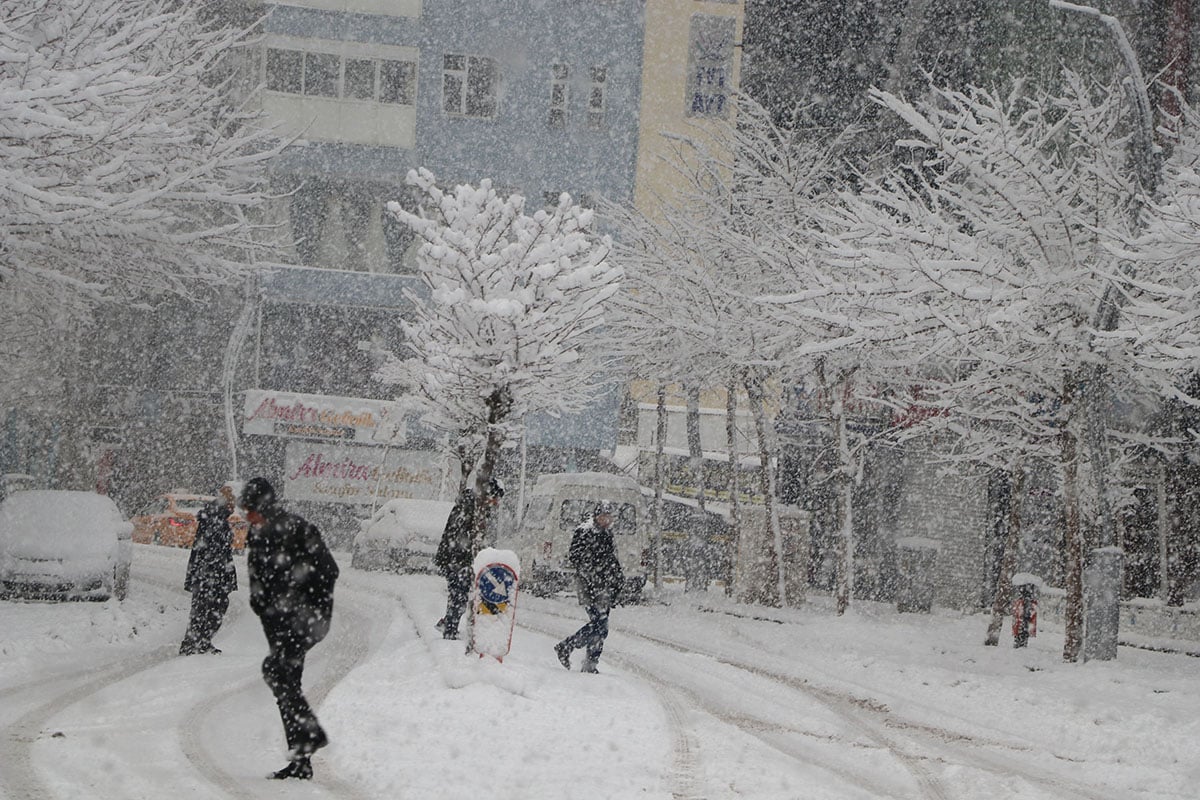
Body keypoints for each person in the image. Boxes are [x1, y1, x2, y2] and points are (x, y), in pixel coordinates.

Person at [239, 477, 339, 781]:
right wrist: (261, 603)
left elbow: (329, 570)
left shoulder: (296, 528)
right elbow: (259, 577)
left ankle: (310, 735)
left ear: (262, 507)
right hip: (277, 623)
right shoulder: (258, 534)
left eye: (250, 510)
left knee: (277, 671)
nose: (247, 517)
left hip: (304, 619)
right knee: (286, 681)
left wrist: (298, 602)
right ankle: (301, 758)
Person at [555, 500, 624, 674]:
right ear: (596, 516)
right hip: (589, 585)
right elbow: (576, 556)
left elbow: (612, 559)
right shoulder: (584, 532)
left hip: (606, 585)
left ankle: (589, 662)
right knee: (599, 623)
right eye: (603, 516)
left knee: (601, 625)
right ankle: (568, 647)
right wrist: (592, 573)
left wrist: (618, 580)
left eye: (609, 517)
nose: (606, 520)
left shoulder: (608, 534)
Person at [433, 476, 504, 640]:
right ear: (488, 494)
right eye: (495, 498)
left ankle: (449, 625)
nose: (496, 503)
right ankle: (449, 629)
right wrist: (467, 555)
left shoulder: (475, 505)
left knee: (459, 594)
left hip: (456, 557)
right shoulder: (470, 506)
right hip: (456, 558)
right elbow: (458, 534)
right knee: (460, 594)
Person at [179, 482, 239, 655]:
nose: (234, 508)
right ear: (227, 502)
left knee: (205, 607)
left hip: (207, 572)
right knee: (210, 607)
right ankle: (196, 643)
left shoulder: (215, 515)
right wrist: (218, 571)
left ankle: (197, 642)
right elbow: (214, 548)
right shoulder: (216, 518)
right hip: (211, 573)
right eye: (233, 504)